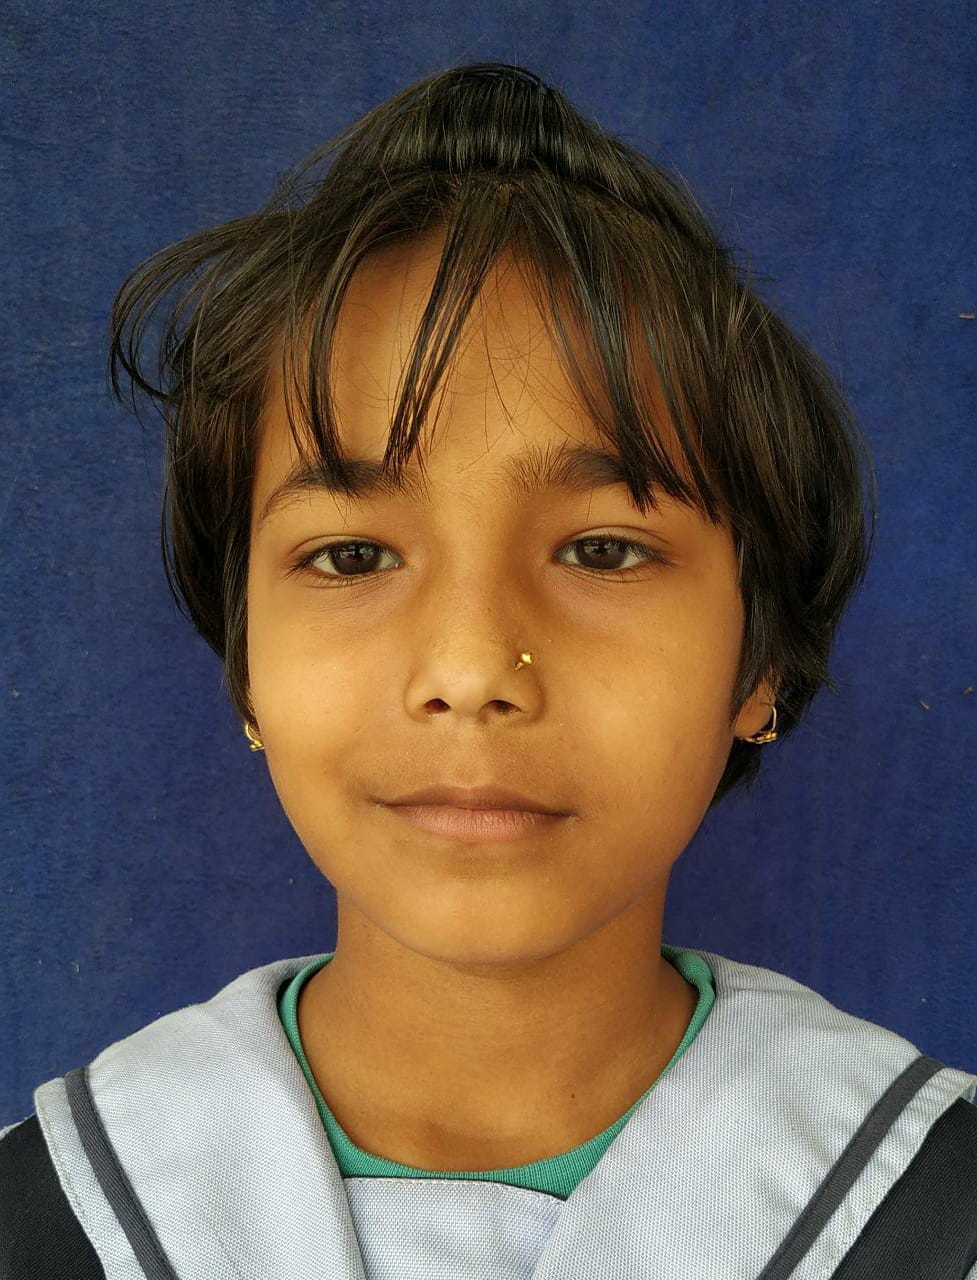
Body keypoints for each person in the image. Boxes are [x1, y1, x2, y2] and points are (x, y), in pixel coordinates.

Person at [2, 61, 975, 1279]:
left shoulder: (934, 1213)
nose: (469, 671)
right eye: (351, 554)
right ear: (245, 662)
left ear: (761, 660)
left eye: (602, 549)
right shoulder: (44, 1222)